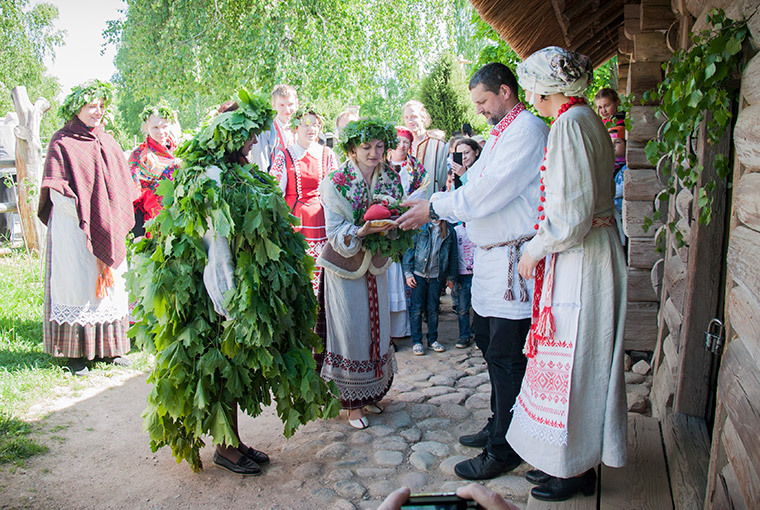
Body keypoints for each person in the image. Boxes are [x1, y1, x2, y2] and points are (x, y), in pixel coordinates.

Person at [396, 62, 549, 480]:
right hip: (490, 259)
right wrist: (428, 199)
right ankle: (502, 420)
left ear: (505, 91)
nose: (479, 110)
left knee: (505, 353)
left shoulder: (528, 131)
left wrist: (433, 209)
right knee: (486, 340)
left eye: (482, 101)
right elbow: (469, 183)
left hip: (512, 261)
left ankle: (507, 447)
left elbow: (485, 194)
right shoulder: (503, 131)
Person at [510, 46, 628, 502]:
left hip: (583, 258)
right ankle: (567, 460)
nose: (531, 96)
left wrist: (535, 250)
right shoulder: (582, 120)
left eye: (532, 87)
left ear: (547, 87)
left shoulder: (570, 125)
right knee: (575, 358)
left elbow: (572, 213)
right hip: (586, 253)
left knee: (578, 360)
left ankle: (575, 467)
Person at [38, 79, 137, 376]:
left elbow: (121, 185)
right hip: (74, 229)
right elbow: (56, 190)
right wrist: (86, 217)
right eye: (91, 106)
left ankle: (109, 350)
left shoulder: (108, 140)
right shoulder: (62, 142)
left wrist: (110, 218)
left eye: (102, 107)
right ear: (76, 107)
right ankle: (76, 355)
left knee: (110, 289)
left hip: (108, 226)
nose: (97, 112)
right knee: (78, 286)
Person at [316, 119, 405, 429]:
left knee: (376, 329)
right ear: (352, 149)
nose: (374, 152)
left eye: (380, 146)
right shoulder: (335, 181)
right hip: (344, 265)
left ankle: (371, 394)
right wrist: (361, 231)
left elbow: (397, 215)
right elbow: (333, 232)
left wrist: (394, 225)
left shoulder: (391, 179)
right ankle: (352, 404)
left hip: (376, 263)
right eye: (366, 147)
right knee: (351, 331)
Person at [270, 105, 338, 294]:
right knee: (300, 273)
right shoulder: (284, 156)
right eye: (305, 124)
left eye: (315, 125)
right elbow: (275, 193)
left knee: (323, 275)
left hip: (323, 222)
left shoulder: (327, 155)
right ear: (295, 127)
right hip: (297, 223)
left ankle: (322, 319)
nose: (311, 129)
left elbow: (336, 191)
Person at [386, 126, 427, 339]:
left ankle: (408, 326)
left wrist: (406, 204)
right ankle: (389, 328)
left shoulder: (415, 168)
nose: (402, 146)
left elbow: (423, 188)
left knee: (408, 269)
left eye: (406, 143)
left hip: (409, 220)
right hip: (386, 222)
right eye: (399, 141)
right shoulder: (382, 165)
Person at [402, 218, 457, 355]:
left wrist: (451, 277)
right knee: (416, 309)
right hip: (419, 275)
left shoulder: (449, 230)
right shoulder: (421, 226)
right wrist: (408, 273)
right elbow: (410, 248)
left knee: (433, 310)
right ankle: (417, 341)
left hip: (437, 277)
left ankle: (432, 340)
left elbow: (453, 255)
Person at [128, 103, 181, 237]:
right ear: (146, 128)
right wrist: (138, 234)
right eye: (155, 127)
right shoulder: (139, 156)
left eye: (164, 126)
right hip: (153, 225)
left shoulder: (180, 151)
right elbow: (134, 198)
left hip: (181, 222)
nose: (161, 132)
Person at [401, 100, 448, 197]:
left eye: (414, 116)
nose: (410, 121)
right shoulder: (401, 146)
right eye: (407, 117)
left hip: (429, 200)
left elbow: (442, 179)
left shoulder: (437, 144)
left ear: (422, 117)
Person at [249, 84, 298, 172]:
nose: (287, 110)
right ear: (274, 106)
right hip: (276, 182)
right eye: (282, 105)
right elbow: (260, 165)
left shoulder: (301, 128)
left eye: (290, 104)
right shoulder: (266, 130)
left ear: (296, 103)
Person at [452, 222, 476, 348]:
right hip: (462, 274)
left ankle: (478, 333)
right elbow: (451, 252)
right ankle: (464, 336)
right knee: (462, 308)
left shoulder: (479, 228)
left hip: (478, 273)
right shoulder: (456, 231)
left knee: (479, 307)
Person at [609, 125, 627, 247]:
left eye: (618, 142)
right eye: (610, 142)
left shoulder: (627, 167)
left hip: (623, 214)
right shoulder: (609, 165)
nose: (613, 145)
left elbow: (617, 190)